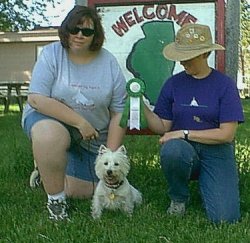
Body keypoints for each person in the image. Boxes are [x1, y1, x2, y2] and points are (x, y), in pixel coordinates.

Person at [21, 5, 127, 220]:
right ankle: (56, 203)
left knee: (83, 191)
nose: (79, 35)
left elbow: (118, 112)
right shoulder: (52, 54)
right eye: (74, 29)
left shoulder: (109, 63)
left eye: (87, 31)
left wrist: (111, 157)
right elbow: (36, 98)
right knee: (50, 134)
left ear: (95, 35)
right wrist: (80, 122)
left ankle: (47, 172)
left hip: (93, 139)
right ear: (66, 29)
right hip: (51, 123)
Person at [144, 23, 244, 223]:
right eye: (181, 57)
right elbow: (163, 127)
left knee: (225, 219)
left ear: (205, 54)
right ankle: (178, 198)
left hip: (217, 151)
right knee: (172, 150)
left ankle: (211, 184)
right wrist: (141, 106)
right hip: (183, 150)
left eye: (188, 57)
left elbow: (227, 134)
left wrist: (184, 133)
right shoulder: (173, 83)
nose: (183, 62)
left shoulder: (224, 85)